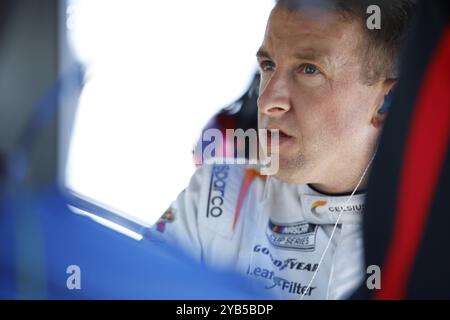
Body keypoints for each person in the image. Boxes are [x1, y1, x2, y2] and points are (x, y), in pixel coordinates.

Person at [149, 0, 416, 299]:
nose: (267, 101)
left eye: (309, 69)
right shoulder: (218, 193)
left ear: (385, 101)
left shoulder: (424, 241)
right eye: (268, 66)